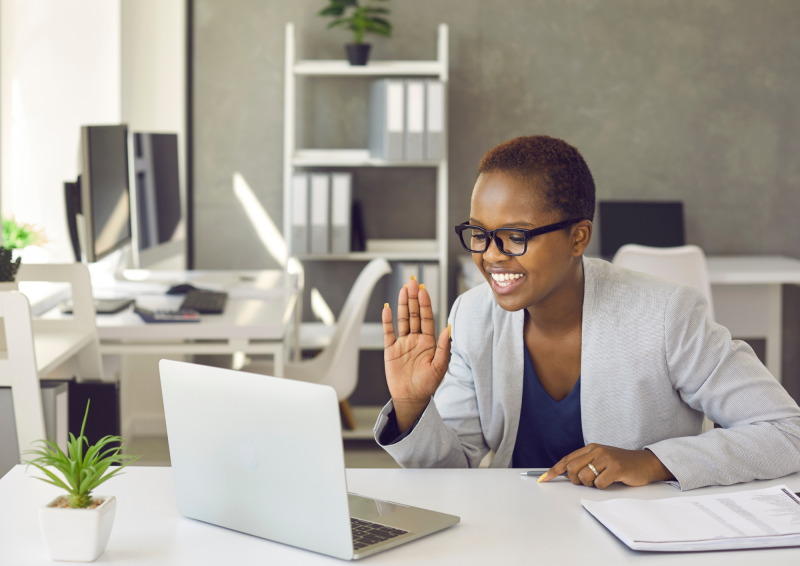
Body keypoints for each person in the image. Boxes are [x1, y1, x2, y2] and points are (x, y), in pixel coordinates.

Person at [375, 135, 800, 491]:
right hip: (515, 534)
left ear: (578, 238)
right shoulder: (471, 315)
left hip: (636, 538)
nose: (489, 256)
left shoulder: (666, 314)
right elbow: (455, 474)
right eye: (480, 235)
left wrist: (651, 462)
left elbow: (786, 431)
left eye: (514, 237)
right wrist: (412, 407)